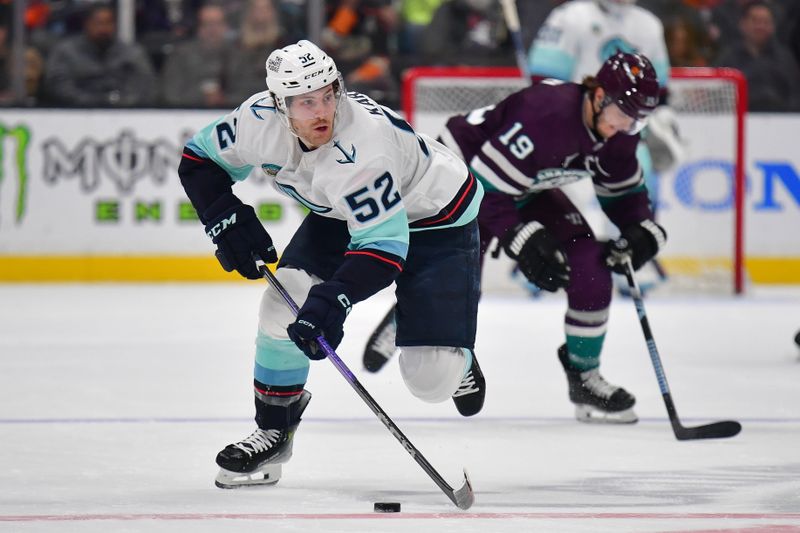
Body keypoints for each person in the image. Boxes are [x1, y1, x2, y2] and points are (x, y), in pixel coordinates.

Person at [177, 40, 486, 488]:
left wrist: (335, 299)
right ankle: (274, 431)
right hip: (343, 215)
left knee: (430, 381)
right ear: (279, 105)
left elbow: (384, 247)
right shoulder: (255, 120)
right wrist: (224, 218)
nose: (322, 111)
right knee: (281, 309)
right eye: (306, 102)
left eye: (328, 94)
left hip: (438, 217)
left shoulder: (362, 149)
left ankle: (455, 350)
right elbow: (199, 160)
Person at [364, 52, 667, 425]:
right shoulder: (547, 114)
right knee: (458, 284)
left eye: (640, 118)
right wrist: (521, 237)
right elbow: (486, 190)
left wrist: (643, 229)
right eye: (626, 112)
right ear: (600, 95)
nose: (630, 125)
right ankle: (415, 311)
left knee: (590, 264)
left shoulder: (621, 133)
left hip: (519, 184)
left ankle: (584, 378)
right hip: (457, 176)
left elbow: (623, 196)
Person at [526, 0, 682, 295]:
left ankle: (628, 263)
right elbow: (542, 78)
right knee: (559, 192)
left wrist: (662, 119)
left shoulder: (648, 24)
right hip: (572, 127)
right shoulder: (571, 16)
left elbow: (658, 91)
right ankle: (542, 260)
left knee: (637, 183)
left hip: (623, 130)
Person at [41, 3, 156, 107]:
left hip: (125, 113)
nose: (103, 29)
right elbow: (57, 86)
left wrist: (122, 102)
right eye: (98, 23)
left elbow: (144, 85)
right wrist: (90, 102)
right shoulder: (66, 52)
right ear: (86, 24)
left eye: (108, 23)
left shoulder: (132, 53)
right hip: (76, 112)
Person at [714, 0, 800, 111]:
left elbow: (795, 96)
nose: (760, 26)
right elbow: (717, 95)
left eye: (765, 22)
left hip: (780, 120)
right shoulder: (728, 59)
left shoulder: (786, 60)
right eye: (755, 20)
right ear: (742, 24)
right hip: (738, 120)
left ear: (773, 26)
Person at [161, 2, 234, 107]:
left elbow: (249, 91)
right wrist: (202, 97)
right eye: (208, 24)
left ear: (226, 27)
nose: (213, 30)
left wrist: (225, 99)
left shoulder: (238, 56)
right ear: (199, 28)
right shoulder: (180, 56)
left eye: (218, 24)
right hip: (187, 116)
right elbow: (170, 93)